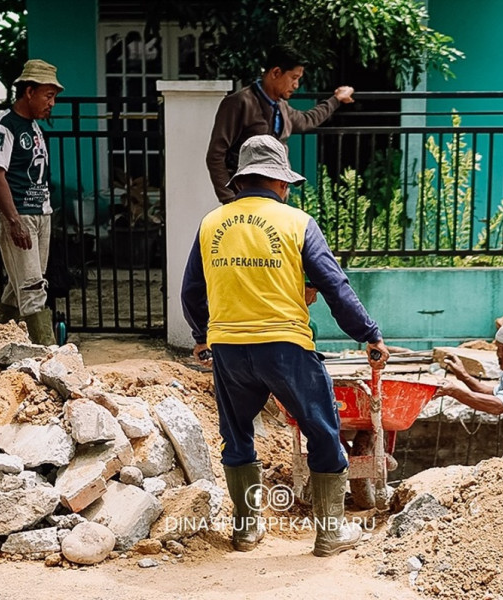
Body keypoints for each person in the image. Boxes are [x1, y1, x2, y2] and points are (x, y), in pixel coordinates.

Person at [181, 134, 390, 557]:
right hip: (286, 346)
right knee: (323, 429)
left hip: (229, 349)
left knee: (236, 436)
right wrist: (369, 334)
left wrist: (203, 336)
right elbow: (335, 286)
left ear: (242, 181)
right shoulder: (297, 222)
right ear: (278, 182)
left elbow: (191, 291)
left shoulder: (211, 223)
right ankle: (329, 534)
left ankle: (246, 531)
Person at [206, 44, 355, 204]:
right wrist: (230, 200)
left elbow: (307, 120)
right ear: (276, 72)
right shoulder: (240, 103)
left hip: (276, 200)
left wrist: (336, 99)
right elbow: (216, 155)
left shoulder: (281, 106)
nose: (296, 85)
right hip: (245, 198)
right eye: (294, 78)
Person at [0, 59, 63, 345]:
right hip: (18, 214)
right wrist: (13, 220)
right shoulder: (3, 127)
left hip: (40, 213)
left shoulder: (34, 127)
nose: (51, 103)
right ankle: (49, 353)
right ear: (29, 91)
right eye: (48, 95)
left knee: (22, 282)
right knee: (31, 287)